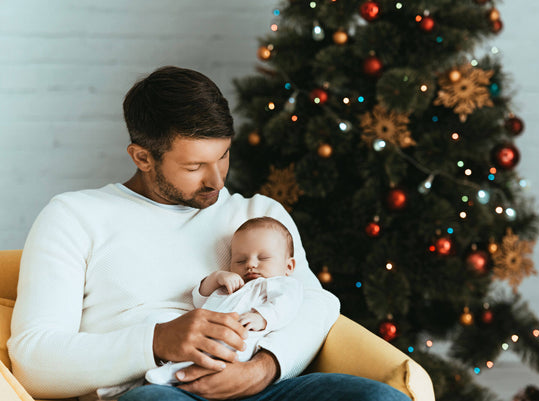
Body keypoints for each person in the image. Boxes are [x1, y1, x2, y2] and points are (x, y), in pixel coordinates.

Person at [8, 66, 412, 401]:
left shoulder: (260, 215)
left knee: (381, 398)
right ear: (142, 157)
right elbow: (33, 360)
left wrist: (263, 368)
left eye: (224, 156)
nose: (217, 181)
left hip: (262, 385)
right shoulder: (74, 217)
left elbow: (314, 304)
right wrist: (158, 341)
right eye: (194, 166)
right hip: (154, 386)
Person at [144, 216, 303, 387]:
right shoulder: (229, 287)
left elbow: (287, 303)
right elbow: (199, 301)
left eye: (263, 258)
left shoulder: (278, 284)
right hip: (204, 334)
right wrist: (216, 278)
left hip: (243, 338)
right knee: (162, 322)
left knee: (225, 350)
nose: (250, 264)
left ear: (289, 266)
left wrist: (261, 317)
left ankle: (175, 375)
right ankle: (171, 369)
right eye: (240, 260)